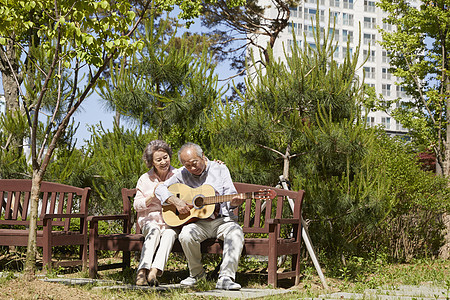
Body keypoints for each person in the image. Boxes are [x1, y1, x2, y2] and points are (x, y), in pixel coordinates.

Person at [155, 142, 245, 290]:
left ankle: (226, 278)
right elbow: (160, 188)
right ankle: (197, 275)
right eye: (187, 165)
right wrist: (175, 201)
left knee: (236, 232)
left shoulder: (220, 169)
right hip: (199, 222)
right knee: (185, 235)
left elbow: (231, 195)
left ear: (203, 156)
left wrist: (235, 203)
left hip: (221, 220)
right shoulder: (182, 173)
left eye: (194, 163)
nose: (192, 168)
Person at [133, 140, 179, 286]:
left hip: (170, 221)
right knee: (153, 231)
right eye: (158, 160)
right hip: (150, 220)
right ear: (152, 162)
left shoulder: (178, 174)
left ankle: (154, 271)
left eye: (166, 157)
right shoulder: (145, 179)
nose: (163, 162)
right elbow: (136, 205)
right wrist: (152, 195)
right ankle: (142, 271)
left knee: (169, 234)